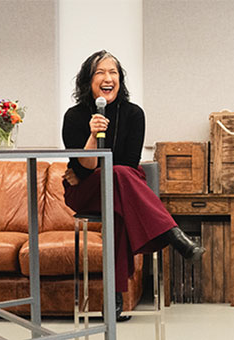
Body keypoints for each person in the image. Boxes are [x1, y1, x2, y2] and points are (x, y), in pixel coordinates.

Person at [61, 50, 204, 321]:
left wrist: (91, 169)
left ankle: (113, 299)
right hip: (86, 192)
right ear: (87, 81)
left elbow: (127, 161)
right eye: (100, 72)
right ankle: (172, 234)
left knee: (119, 198)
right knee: (120, 178)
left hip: (120, 185)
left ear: (120, 79)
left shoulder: (134, 114)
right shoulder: (75, 116)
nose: (107, 78)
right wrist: (92, 137)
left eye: (113, 72)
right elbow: (81, 169)